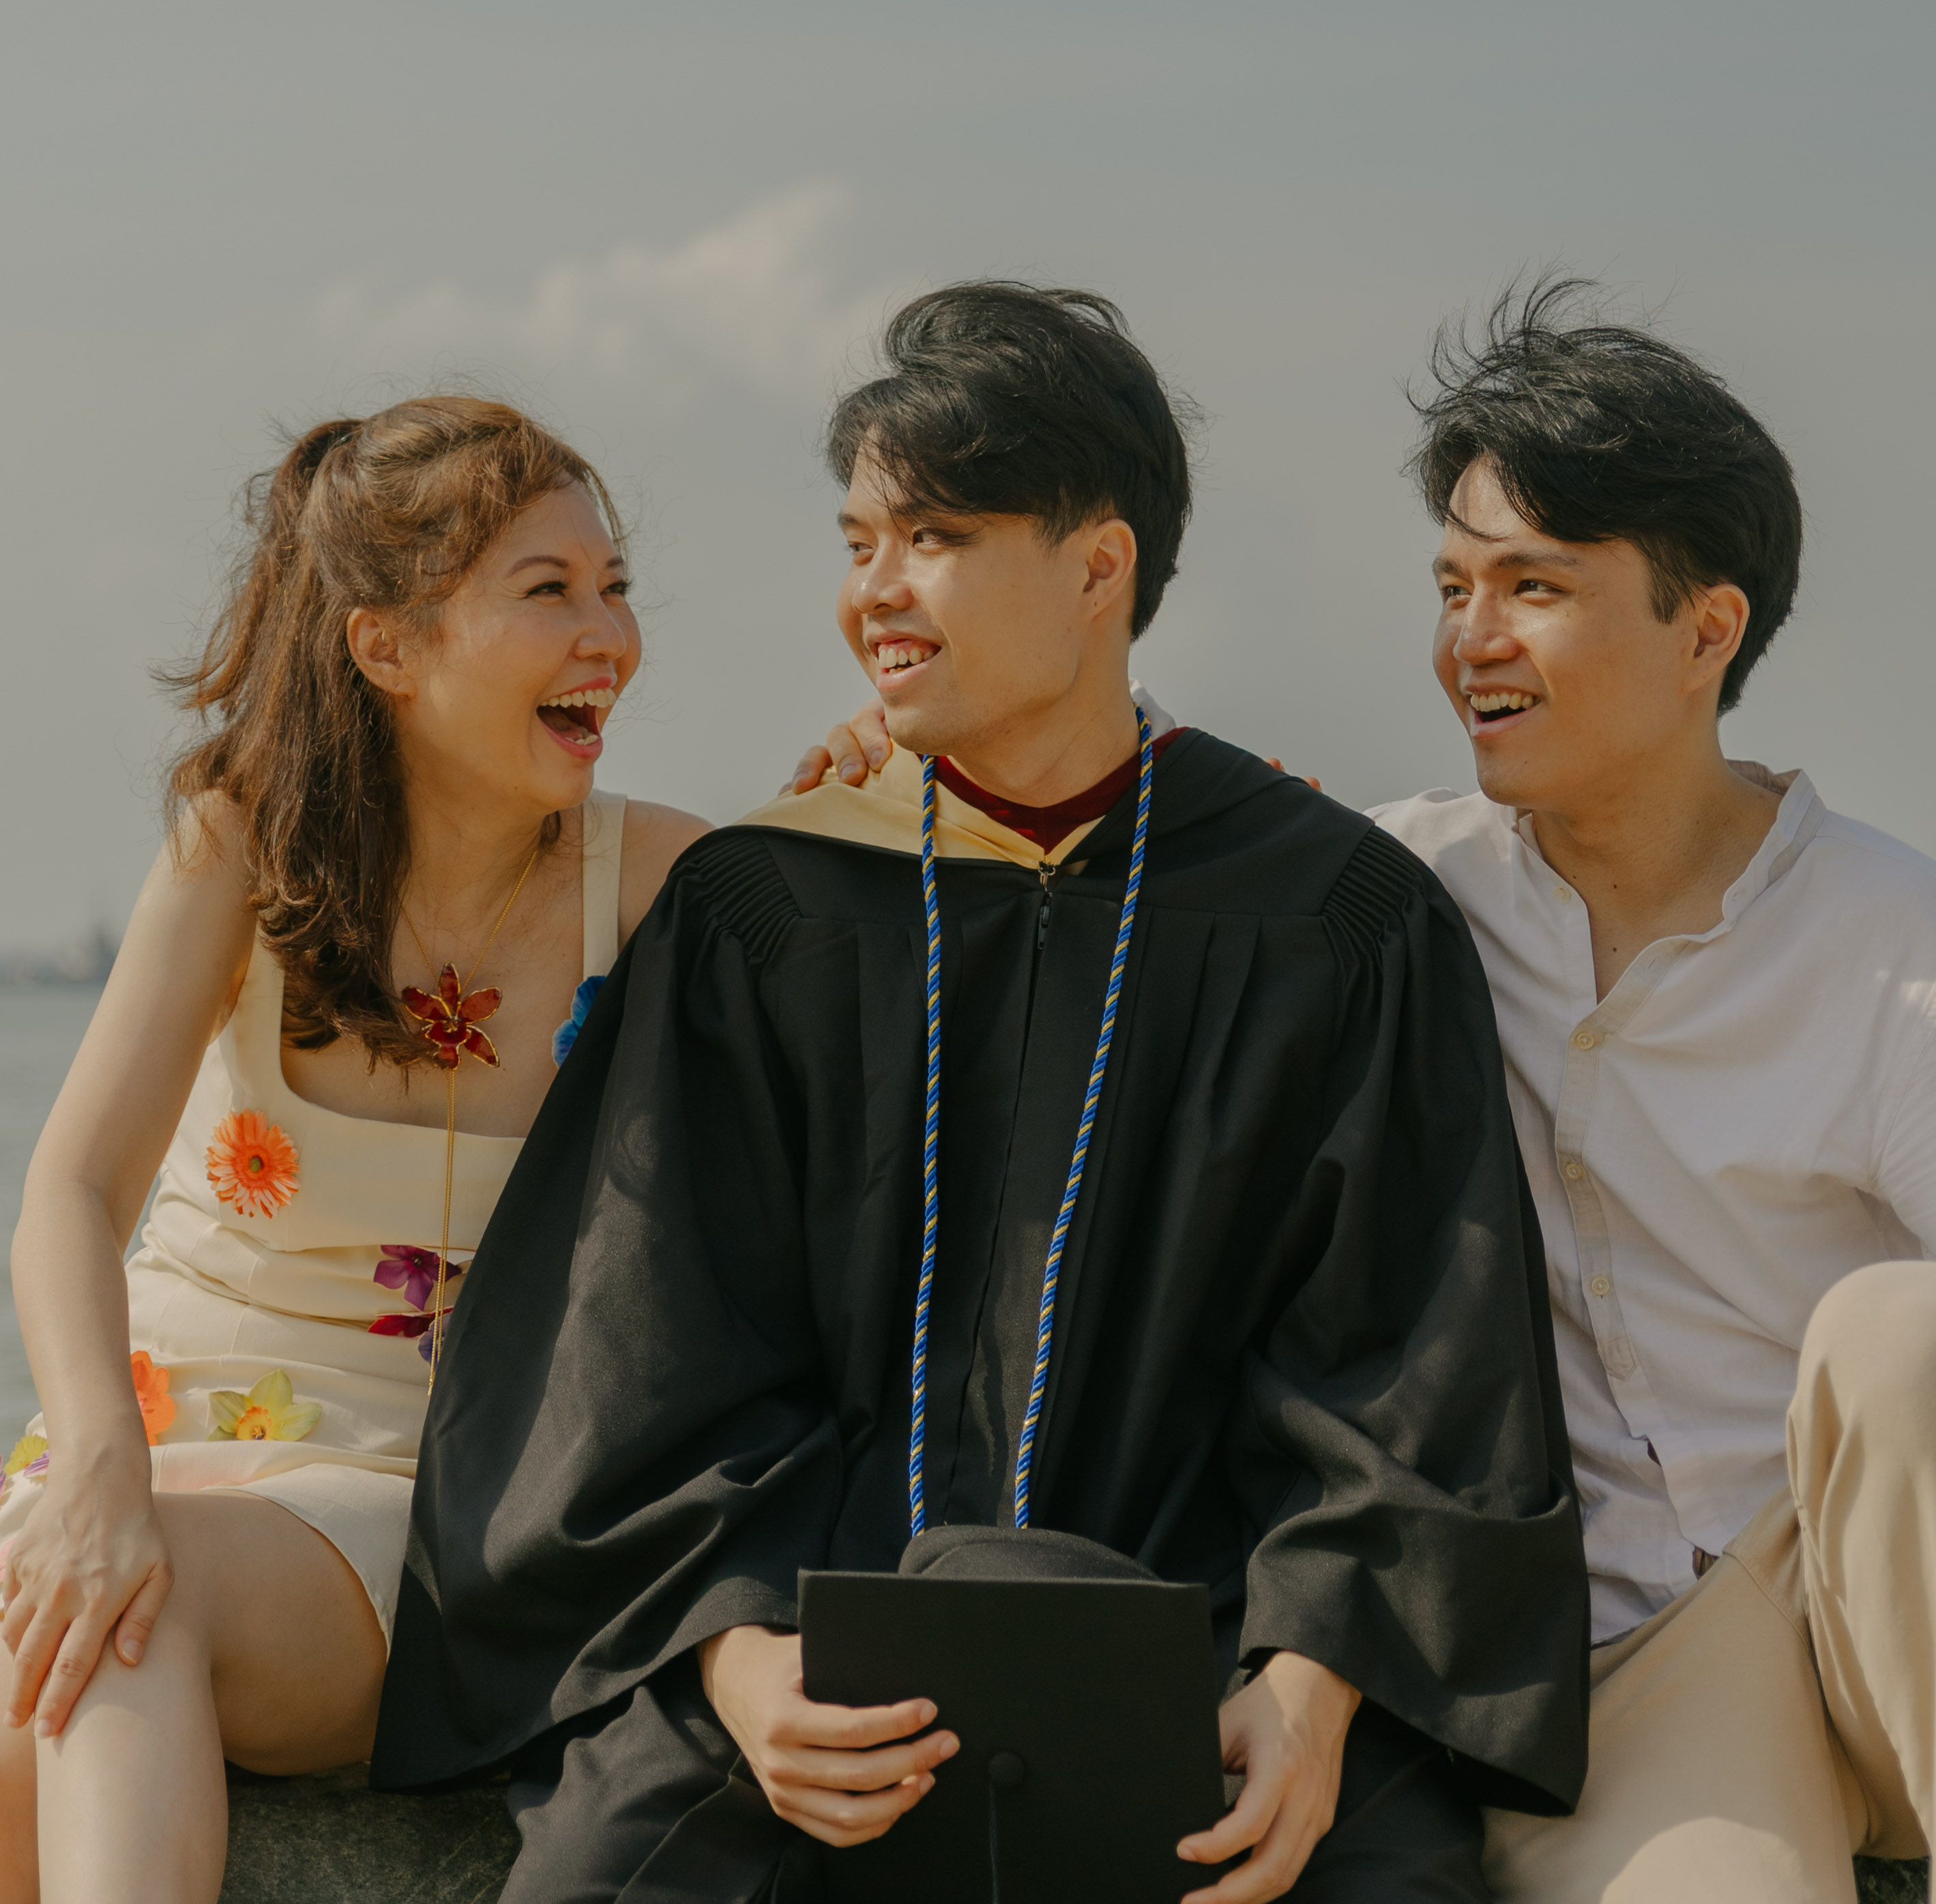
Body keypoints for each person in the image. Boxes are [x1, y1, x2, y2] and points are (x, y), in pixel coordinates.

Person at [377, 284, 1589, 1903]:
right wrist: (742, 1668)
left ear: (1099, 566)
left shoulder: (1330, 916)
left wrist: (1308, 1691)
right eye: (858, 542)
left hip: (1214, 1652)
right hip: (810, 1650)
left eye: (933, 538)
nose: (872, 592)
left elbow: (1414, 1376)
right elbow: (636, 1352)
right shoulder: (772, 907)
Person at [807, 279, 1936, 1901]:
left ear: (1707, 631)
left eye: (1535, 585)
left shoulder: (1892, 939)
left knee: (1902, 1337)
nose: (1472, 639)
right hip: (1635, 1657)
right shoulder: (1388, 895)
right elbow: (1136, 792)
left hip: (1873, 1578)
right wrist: (923, 719)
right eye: (1455, 586)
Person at [0, 397, 707, 1904]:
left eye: (615, 586)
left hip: (418, 1498)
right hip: (137, 1448)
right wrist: (99, 1463)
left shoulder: (663, 881)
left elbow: (920, 901)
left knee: (131, 1609)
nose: (611, 638)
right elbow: (71, 1191)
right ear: (384, 646)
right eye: (549, 590)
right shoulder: (238, 843)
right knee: (58, 1651)